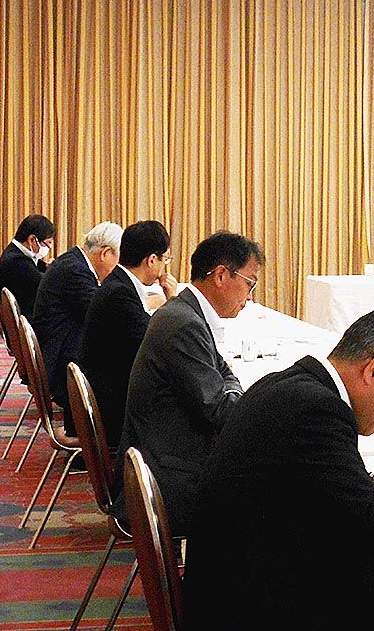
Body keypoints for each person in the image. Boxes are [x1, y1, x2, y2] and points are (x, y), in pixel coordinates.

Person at [185, 307, 374, 630]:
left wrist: (371, 483)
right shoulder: (317, 408)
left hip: (234, 585)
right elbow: (372, 517)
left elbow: (316, 486)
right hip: (250, 609)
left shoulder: (288, 385)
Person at [112, 231, 263, 535]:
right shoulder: (184, 324)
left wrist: (230, 387)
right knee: (277, 496)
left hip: (164, 459)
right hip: (169, 480)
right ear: (221, 276)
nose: (250, 297)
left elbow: (225, 372)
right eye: (250, 284)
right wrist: (234, 391)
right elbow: (222, 411)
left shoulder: (184, 312)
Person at [78, 221, 178, 451]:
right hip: (114, 407)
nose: (164, 267)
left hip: (110, 389)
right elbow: (156, 343)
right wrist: (173, 301)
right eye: (164, 260)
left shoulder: (119, 283)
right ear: (151, 260)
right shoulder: (119, 293)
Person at [32, 222, 122, 435]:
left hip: (59, 349)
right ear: (105, 253)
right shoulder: (74, 270)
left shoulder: (74, 261)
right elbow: (102, 315)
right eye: (118, 260)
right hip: (61, 365)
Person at [0, 214, 56, 317]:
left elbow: (38, 269)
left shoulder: (15, 252)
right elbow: (45, 284)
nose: (49, 248)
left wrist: (51, 268)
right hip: (29, 318)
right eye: (48, 243)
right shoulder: (17, 261)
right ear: (32, 239)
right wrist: (56, 271)